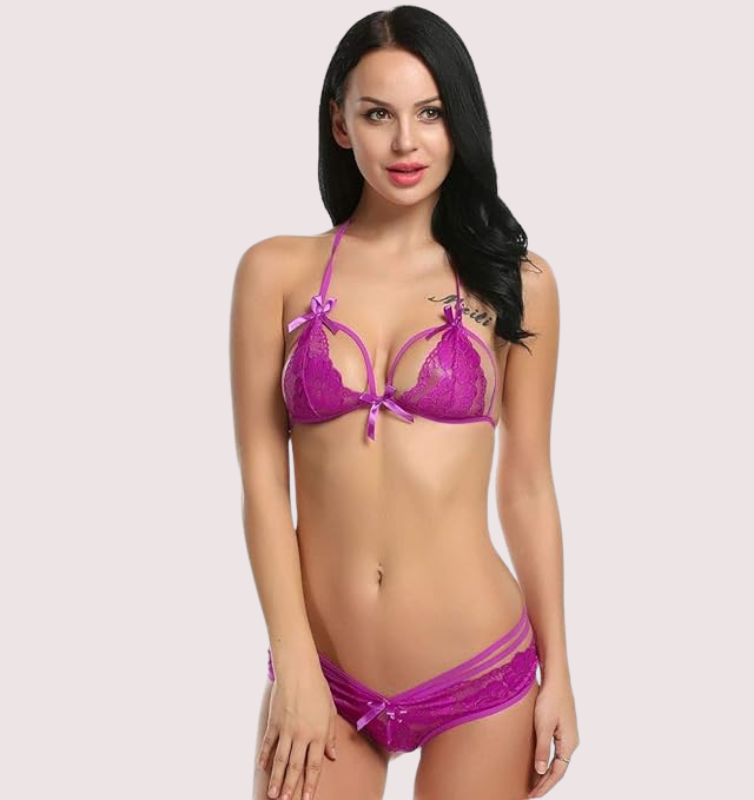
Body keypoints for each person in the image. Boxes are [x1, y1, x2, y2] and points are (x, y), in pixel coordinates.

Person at [229, 7, 579, 800]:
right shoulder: (274, 272)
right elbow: (262, 485)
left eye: (431, 113)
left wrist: (559, 669)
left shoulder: (519, 284)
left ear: (460, 123)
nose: (406, 143)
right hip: (324, 676)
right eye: (378, 114)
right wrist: (293, 665)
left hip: (481, 673)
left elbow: (527, 485)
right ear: (340, 124)